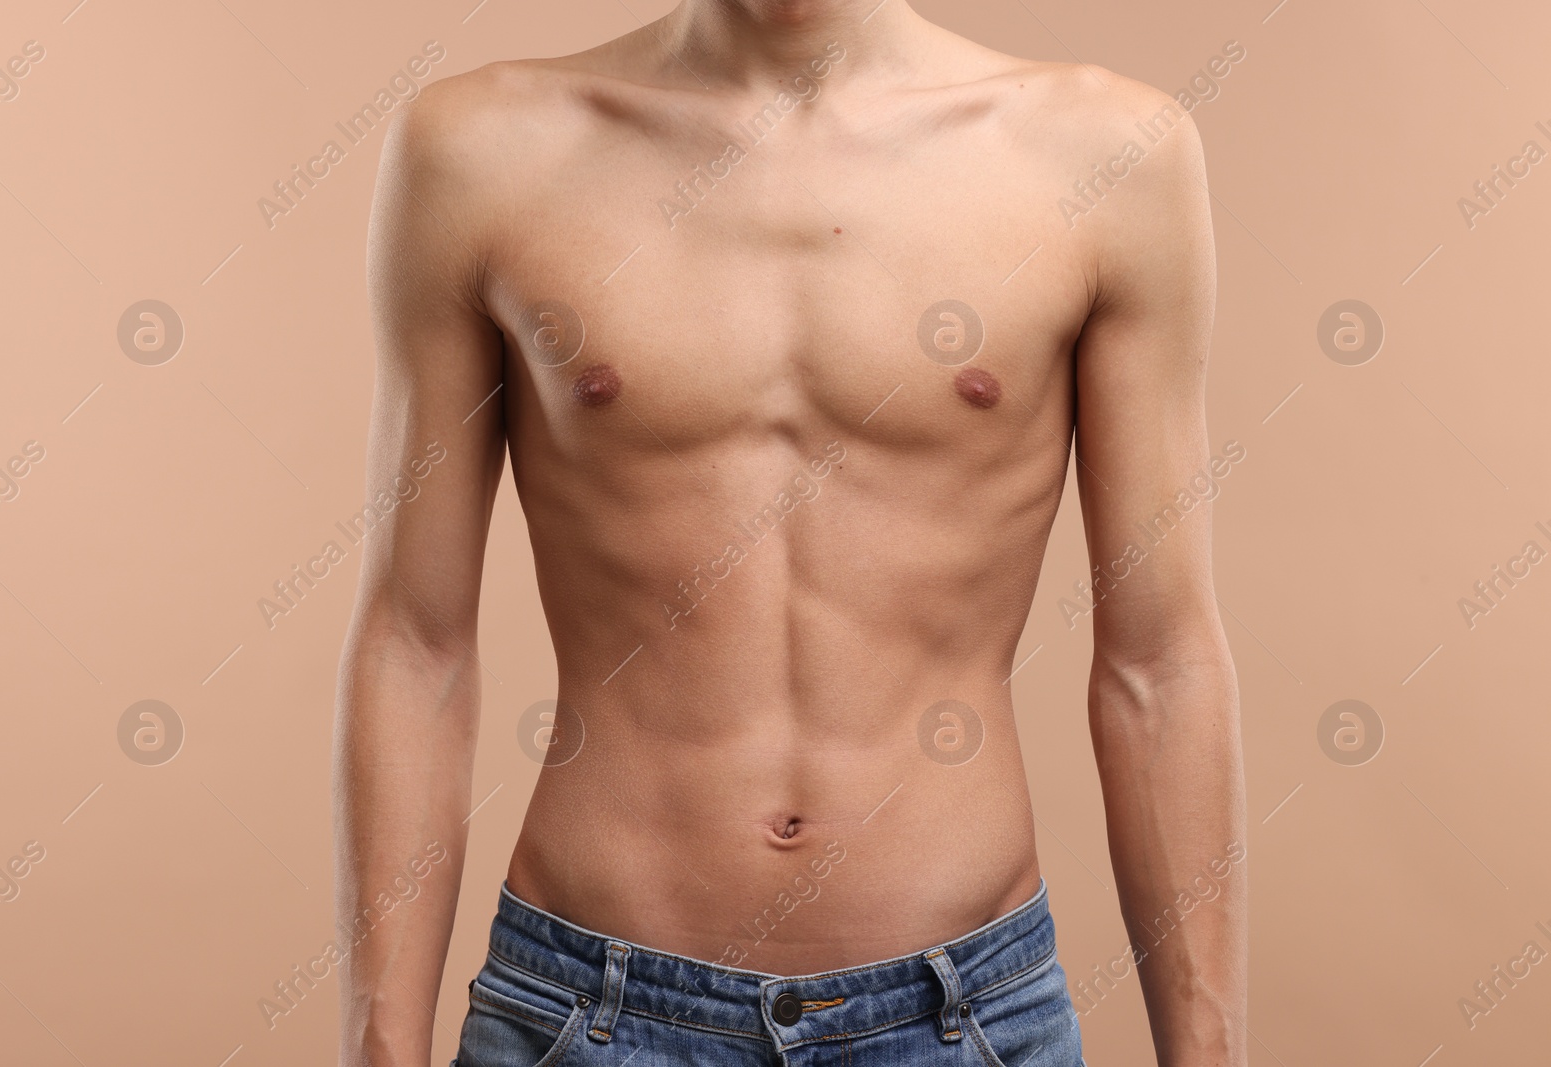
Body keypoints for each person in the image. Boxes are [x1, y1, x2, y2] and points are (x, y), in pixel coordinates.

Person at [332, 1, 1245, 1064]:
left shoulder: (1103, 154)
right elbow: (414, 644)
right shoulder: (481, 149)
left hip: (963, 1017)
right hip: (587, 1011)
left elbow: (1159, 659)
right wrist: (378, 1046)